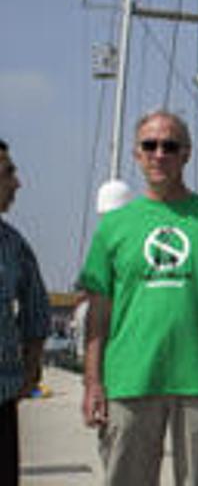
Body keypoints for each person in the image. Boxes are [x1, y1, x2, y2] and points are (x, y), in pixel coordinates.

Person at [78, 111, 198, 485]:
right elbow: (98, 315)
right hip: (129, 380)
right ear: (137, 154)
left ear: (186, 153)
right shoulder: (113, 227)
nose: (160, 153)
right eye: (150, 145)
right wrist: (93, 382)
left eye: (170, 146)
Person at [0, 138, 50, 485]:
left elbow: (37, 313)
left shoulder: (13, 246)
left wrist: (29, 372)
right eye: (8, 173)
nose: (18, 182)